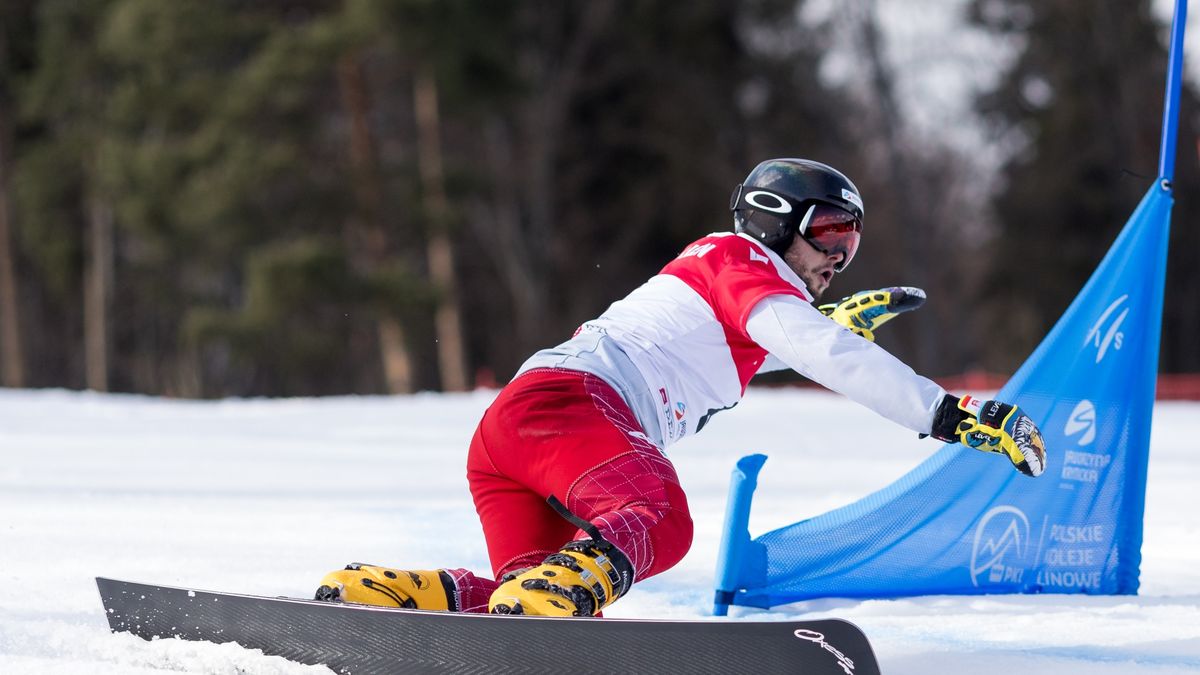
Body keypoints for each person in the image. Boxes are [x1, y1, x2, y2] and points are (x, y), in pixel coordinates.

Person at [315, 158, 1048, 616]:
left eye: (852, 241)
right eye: (829, 231)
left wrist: (830, 323)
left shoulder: (730, 285)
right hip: (570, 408)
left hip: (516, 430)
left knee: (534, 602)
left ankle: (398, 595)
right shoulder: (741, 259)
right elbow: (821, 352)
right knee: (661, 519)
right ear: (774, 222)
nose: (840, 255)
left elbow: (761, 347)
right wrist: (951, 413)